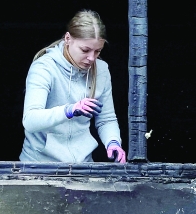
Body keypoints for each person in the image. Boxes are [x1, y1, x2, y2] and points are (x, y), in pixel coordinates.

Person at [20, 10, 126, 164]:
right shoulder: (44, 67)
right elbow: (30, 120)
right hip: (39, 164)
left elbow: (106, 118)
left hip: (82, 164)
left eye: (98, 51)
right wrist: (69, 110)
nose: (91, 58)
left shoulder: (101, 70)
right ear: (68, 38)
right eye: (85, 50)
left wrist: (113, 142)